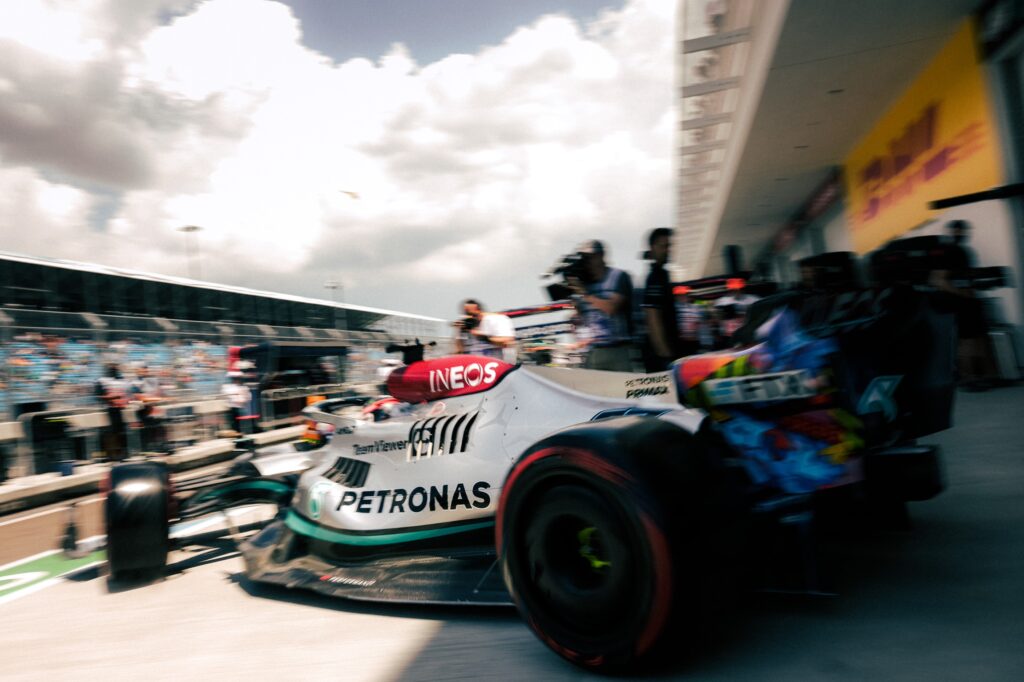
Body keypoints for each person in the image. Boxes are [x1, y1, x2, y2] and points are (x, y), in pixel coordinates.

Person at [935, 220, 997, 390]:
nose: (962, 234)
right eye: (960, 231)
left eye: (963, 231)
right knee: (967, 341)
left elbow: (963, 277)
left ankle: (980, 376)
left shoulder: (962, 251)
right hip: (960, 303)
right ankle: (968, 378)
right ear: (953, 232)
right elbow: (939, 280)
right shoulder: (949, 252)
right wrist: (962, 293)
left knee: (977, 339)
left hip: (969, 302)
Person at [569, 240, 634, 371]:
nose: (588, 262)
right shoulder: (583, 284)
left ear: (602, 255)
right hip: (594, 350)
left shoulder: (618, 276)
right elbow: (580, 318)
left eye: (591, 257)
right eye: (584, 259)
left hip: (618, 349)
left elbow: (611, 308)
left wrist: (584, 294)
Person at [641, 228, 682, 371]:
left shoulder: (662, 274)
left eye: (669, 246)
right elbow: (652, 317)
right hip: (662, 357)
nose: (668, 250)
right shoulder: (655, 277)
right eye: (663, 246)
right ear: (653, 248)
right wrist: (665, 356)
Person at [453, 299, 518, 363]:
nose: (468, 316)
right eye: (466, 313)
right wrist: (459, 331)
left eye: (470, 313)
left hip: (496, 363)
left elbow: (507, 342)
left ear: (477, 309)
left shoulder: (496, 319)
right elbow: (459, 351)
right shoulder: (467, 325)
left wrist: (484, 338)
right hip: (473, 364)